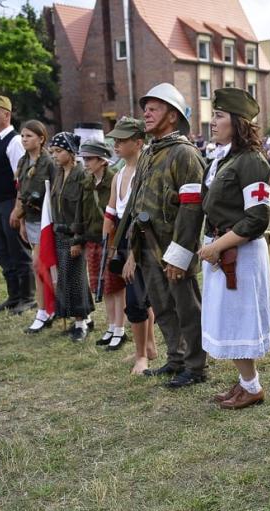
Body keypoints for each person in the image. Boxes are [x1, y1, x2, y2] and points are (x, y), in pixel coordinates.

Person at [112, 83, 207, 387]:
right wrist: (129, 252)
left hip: (173, 249)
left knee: (187, 309)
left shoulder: (185, 155)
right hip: (148, 248)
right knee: (163, 307)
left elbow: (192, 211)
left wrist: (180, 255)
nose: (147, 114)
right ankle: (176, 359)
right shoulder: (151, 153)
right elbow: (135, 205)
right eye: (146, 108)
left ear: (173, 115)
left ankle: (195, 366)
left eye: (154, 108)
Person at [197, 88, 270, 410]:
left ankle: (252, 387)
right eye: (213, 115)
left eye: (219, 116)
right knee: (228, 319)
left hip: (238, 255)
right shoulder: (223, 159)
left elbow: (257, 218)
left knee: (238, 320)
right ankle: (246, 382)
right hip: (222, 251)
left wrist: (217, 246)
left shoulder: (252, 162)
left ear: (237, 122)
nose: (212, 122)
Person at [104, 117, 158, 374]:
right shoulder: (118, 175)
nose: (116, 144)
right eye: (115, 140)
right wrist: (112, 247)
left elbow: (145, 216)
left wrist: (133, 256)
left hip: (143, 239)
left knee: (137, 301)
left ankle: (141, 357)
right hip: (125, 239)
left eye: (122, 140)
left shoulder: (145, 173)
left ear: (138, 142)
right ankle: (148, 348)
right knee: (139, 297)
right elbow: (112, 213)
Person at [0, 94, 35, 314]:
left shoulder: (13, 141)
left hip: (8, 203)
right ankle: (13, 296)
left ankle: (28, 297)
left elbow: (21, 178)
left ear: (7, 114)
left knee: (18, 252)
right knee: (2, 252)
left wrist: (18, 209)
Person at [77, 140, 124, 349]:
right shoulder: (87, 182)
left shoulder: (114, 179)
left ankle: (120, 328)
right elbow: (82, 211)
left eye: (89, 159)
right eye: (84, 158)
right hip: (93, 238)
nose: (85, 163)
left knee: (116, 285)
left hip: (111, 239)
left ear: (102, 160)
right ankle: (111, 325)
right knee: (103, 286)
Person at [49, 132, 94, 341]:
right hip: (60, 233)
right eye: (53, 152)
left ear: (70, 152)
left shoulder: (81, 175)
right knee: (65, 277)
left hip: (73, 234)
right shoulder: (59, 174)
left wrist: (78, 239)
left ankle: (81, 322)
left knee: (75, 277)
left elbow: (83, 210)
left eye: (58, 151)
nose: (55, 155)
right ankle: (85, 315)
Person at [15, 120, 57, 333]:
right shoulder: (23, 162)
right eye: (22, 136)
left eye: (29, 136)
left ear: (41, 139)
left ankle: (44, 310)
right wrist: (20, 220)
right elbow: (20, 191)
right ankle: (49, 307)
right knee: (42, 268)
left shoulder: (49, 163)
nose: (24, 139)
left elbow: (56, 194)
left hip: (46, 222)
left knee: (40, 266)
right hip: (30, 221)